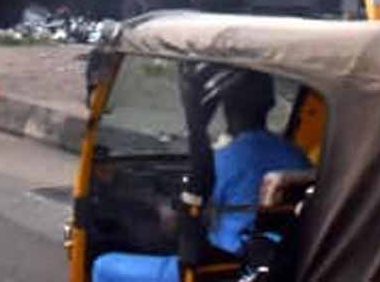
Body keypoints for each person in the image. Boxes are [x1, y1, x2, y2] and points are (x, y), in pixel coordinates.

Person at [92, 72, 310, 282]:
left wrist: (152, 203)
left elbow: (176, 221)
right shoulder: (297, 156)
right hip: (276, 263)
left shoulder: (223, 160)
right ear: (270, 103)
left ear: (225, 104)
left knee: (103, 265)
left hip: (220, 268)